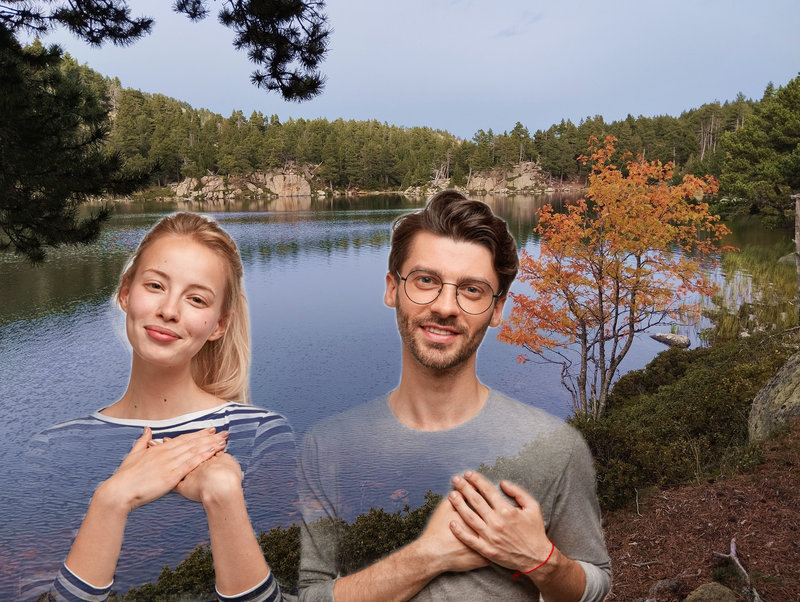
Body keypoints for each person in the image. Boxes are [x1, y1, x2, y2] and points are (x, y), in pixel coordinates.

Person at [297, 190, 611, 601]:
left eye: (472, 290)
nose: (446, 306)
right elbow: (310, 595)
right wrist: (428, 557)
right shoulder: (328, 446)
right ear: (393, 289)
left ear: (497, 309)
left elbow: (598, 586)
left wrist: (541, 560)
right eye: (426, 280)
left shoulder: (554, 446)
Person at [19, 213, 295, 601]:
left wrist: (222, 494)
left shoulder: (262, 434)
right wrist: (113, 500)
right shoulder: (52, 449)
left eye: (196, 298)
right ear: (125, 292)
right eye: (155, 285)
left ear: (218, 324)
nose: (169, 310)